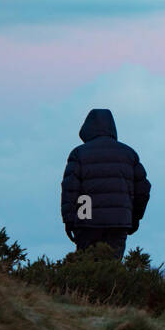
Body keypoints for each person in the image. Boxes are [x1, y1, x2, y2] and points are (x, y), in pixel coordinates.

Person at [60, 108, 151, 258]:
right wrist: (133, 218)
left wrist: (69, 221)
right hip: (119, 221)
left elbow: (70, 190)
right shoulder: (129, 154)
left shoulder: (79, 153)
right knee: (112, 268)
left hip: (86, 220)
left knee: (87, 268)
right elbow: (143, 189)